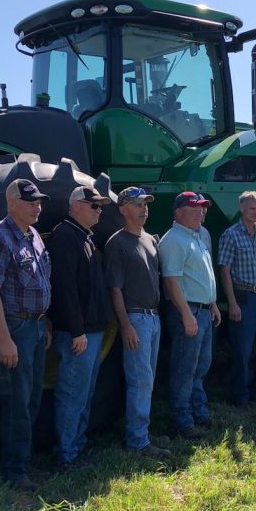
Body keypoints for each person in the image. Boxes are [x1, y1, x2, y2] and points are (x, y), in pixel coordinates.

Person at [0, 178, 52, 490]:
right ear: (11, 204)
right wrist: (4, 338)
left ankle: (24, 462)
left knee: (32, 397)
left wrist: (46, 323)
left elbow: (41, 282)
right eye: (30, 202)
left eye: (39, 202)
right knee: (16, 401)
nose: (37, 207)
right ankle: (14, 471)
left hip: (36, 326)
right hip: (15, 328)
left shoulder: (34, 236)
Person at [48, 185, 113, 470]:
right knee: (72, 393)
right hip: (79, 334)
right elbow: (65, 288)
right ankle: (66, 454)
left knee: (84, 393)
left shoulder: (85, 237)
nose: (99, 211)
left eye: (100, 206)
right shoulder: (65, 236)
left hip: (92, 331)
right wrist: (76, 331)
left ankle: (77, 445)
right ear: (75, 206)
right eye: (94, 206)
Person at [105, 187, 172, 459]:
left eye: (145, 204)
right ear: (123, 209)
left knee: (148, 379)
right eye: (137, 204)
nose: (144, 208)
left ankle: (142, 432)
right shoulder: (117, 243)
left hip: (153, 317)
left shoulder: (149, 239)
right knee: (140, 380)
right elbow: (115, 289)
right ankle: (137, 441)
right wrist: (125, 325)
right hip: (135, 318)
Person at [159, 191, 221, 439]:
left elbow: (202, 276)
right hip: (189, 311)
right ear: (178, 212)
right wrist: (186, 314)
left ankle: (198, 412)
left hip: (203, 310)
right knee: (185, 368)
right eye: (194, 208)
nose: (200, 212)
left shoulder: (196, 236)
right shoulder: (174, 240)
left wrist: (213, 304)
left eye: (202, 207)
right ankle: (183, 421)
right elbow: (171, 280)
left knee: (200, 366)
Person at [218, 191, 256, 406]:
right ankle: (240, 396)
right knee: (243, 350)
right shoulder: (230, 235)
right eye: (252, 208)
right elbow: (225, 270)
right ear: (241, 208)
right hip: (244, 297)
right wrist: (232, 302)